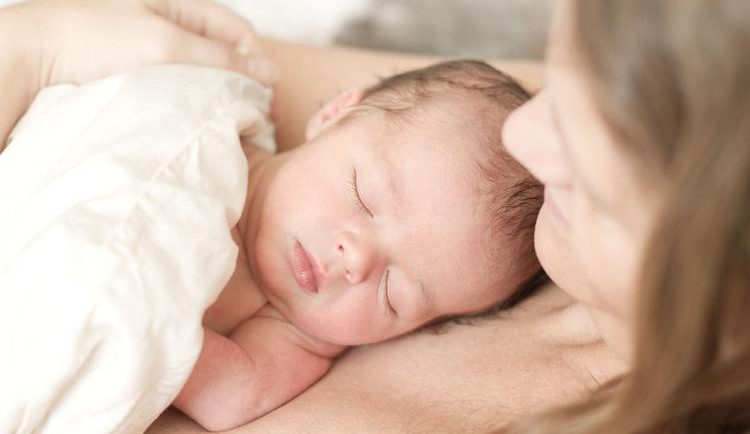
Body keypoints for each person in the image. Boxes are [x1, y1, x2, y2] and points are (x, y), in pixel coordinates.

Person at [2, 0, 748, 433]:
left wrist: (145, 306)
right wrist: (33, 52)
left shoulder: (294, 339)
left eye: (591, 177)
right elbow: (84, 52)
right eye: (561, 75)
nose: (526, 136)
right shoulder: (489, 131)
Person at [175, 59, 542, 431]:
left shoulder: (293, 336)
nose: (356, 259)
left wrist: (153, 321)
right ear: (334, 115)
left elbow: (230, 397)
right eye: (362, 198)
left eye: (393, 294)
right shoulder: (214, 122)